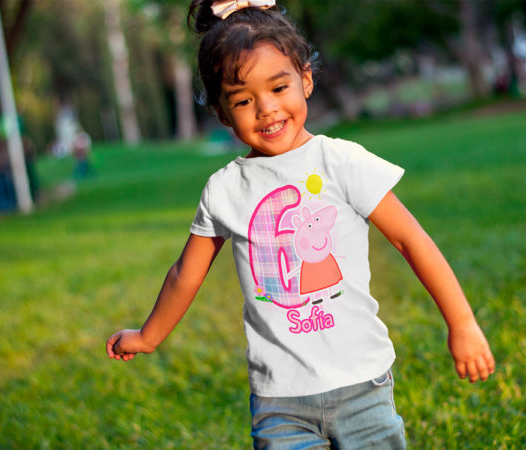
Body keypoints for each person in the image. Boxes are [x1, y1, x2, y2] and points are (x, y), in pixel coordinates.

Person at [106, 1, 495, 447]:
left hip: (362, 385)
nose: (266, 109)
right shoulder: (225, 189)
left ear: (305, 79)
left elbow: (411, 240)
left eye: (278, 87)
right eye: (243, 100)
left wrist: (461, 322)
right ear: (221, 112)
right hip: (280, 402)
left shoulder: (340, 161)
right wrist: (148, 336)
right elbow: (184, 273)